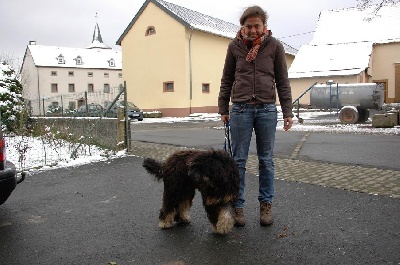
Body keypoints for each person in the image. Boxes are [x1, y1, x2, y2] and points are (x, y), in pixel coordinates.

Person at [218, 5, 293, 227]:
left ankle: (266, 205)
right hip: (240, 109)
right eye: (248, 26)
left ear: (264, 26)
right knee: (238, 161)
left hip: (267, 110)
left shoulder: (274, 46)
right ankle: (237, 206)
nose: (252, 30)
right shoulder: (234, 47)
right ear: (243, 26)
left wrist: (287, 111)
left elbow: (282, 81)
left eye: (256, 25)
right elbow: (226, 79)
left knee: (266, 161)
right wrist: (223, 108)